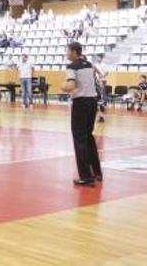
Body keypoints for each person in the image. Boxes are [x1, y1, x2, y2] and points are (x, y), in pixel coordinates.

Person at [61, 41, 102, 187]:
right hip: (92, 102)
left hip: (81, 103)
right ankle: (97, 172)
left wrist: (63, 86)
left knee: (79, 140)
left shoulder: (71, 67)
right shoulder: (89, 64)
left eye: (67, 51)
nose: (66, 53)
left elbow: (71, 85)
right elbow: (98, 74)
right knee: (89, 137)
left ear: (73, 52)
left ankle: (86, 176)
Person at [93, 54, 109, 123]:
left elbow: (106, 72)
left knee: (101, 96)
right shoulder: (95, 65)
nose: (98, 59)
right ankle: (100, 115)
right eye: (97, 57)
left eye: (99, 58)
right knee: (96, 102)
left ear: (101, 58)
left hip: (101, 81)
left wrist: (102, 77)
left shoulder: (104, 65)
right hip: (95, 82)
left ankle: (103, 104)